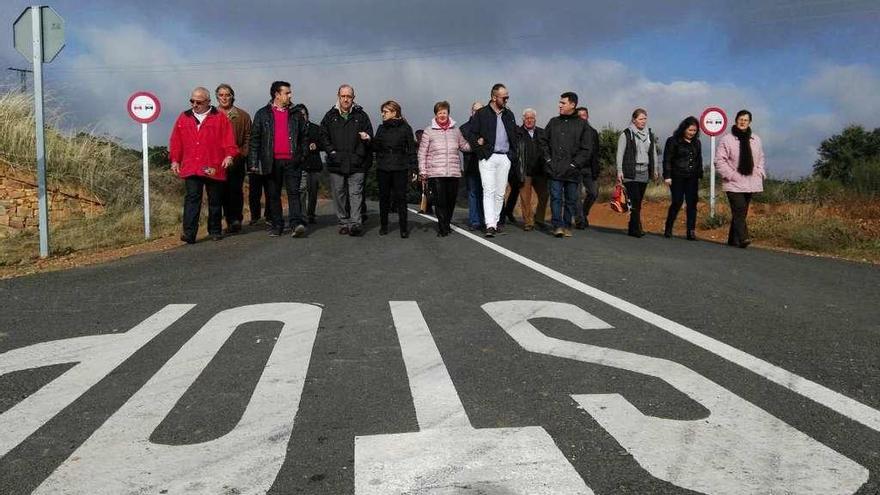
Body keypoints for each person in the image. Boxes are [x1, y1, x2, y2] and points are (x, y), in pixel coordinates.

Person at [169, 87, 237, 243]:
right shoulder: (183, 117)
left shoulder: (219, 117)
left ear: (208, 102)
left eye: (198, 102)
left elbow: (228, 140)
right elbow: (176, 141)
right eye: (192, 101)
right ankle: (189, 233)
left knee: (214, 199)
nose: (194, 104)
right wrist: (174, 160)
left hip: (212, 165)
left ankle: (214, 230)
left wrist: (229, 155)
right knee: (192, 198)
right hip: (191, 166)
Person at [248, 81, 309, 238]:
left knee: (294, 193)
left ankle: (296, 224)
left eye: (290, 93)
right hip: (271, 161)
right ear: (277, 94)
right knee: (273, 195)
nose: (290, 95)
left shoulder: (296, 113)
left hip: (292, 161)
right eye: (287, 93)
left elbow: (304, 137)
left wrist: (301, 156)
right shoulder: (262, 114)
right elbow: (255, 139)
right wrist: (253, 163)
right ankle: (277, 225)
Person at [462, 83, 518, 237]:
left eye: (508, 97)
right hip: (488, 157)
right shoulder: (481, 113)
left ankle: (496, 221)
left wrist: (511, 155)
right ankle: (490, 225)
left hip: (505, 157)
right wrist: (480, 150)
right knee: (489, 190)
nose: (507, 100)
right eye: (504, 97)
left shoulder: (509, 114)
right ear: (494, 97)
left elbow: (514, 135)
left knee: (500, 193)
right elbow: (472, 134)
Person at [320, 84, 373, 236]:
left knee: (355, 193)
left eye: (349, 96)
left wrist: (359, 155)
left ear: (353, 98)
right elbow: (323, 136)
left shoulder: (361, 116)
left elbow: (369, 136)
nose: (346, 99)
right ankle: (343, 222)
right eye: (343, 96)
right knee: (339, 193)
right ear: (338, 96)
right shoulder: (330, 115)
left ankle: (355, 223)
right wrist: (331, 152)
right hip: (336, 162)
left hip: (357, 163)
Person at [540, 92, 592, 238]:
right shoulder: (553, 122)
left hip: (572, 171)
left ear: (572, 105)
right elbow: (543, 142)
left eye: (563, 103)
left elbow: (586, 148)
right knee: (556, 198)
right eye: (560, 102)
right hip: (554, 168)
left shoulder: (582, 125)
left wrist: (575, 164)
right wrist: (548, 160)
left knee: (571, 200)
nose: (560, 105)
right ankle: (557, 226)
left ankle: (567, 225)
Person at [418, 101, 471, 237]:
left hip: (453, 172)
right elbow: (422, 153)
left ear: (448, 114)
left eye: (444, 112)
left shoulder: (456, 131)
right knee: (440, 201)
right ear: (436, 114)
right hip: (436, 172)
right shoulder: (429, 131)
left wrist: (477, 144)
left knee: (450, 201)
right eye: (439, 112)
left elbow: (464, 146)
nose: (442, 115)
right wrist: (423, 171)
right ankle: (442, 227)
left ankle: (446, 223)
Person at [714, 109, 766, 248]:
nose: (743, 122)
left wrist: (760, 171)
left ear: (749, 122)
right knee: (739, 209)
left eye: (746, 120)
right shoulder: (727, 139)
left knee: (741, 212)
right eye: (740, 119)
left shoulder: (756, 139)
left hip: (751, 181)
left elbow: (760, 157)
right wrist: (731, 175)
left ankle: (733, 239)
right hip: (733, 182)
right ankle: (743, 238)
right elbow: (719, 161)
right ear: (736, 120)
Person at [373, 100, 417, 238]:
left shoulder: (406, 128)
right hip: (383, 167)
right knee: (384, 198)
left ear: (394, 112)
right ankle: (384, 225)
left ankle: (403, 228)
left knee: (401, 198)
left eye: (385, 112)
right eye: (382, 111)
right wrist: (368, 140)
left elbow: (411, 150)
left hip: (400, 167)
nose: (382, 114)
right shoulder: (381, 128)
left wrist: (414, 168)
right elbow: (375, 147)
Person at [616, 108, 660, 237]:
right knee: (634, 201)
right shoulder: (626, 134)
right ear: (634, 120)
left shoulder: (649, 135)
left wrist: (655, 169)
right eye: (641, 119)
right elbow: (620, 154)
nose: (643, 121)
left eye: (645, 118)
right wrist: (619, 171)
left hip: (644, 172)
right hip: (630, 172)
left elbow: (653, 153)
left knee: (638, 202)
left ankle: (632, 226)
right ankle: (637, 229)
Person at [215, 84, 252, 235]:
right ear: (217, 97)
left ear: (232, 96)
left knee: (235, 190)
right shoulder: (212, 114)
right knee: (219, 192)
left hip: (237, 159)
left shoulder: (243, 116)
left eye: (227, 95)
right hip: (216, 161)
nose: (224, 98)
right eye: (221, 95)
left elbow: (249, 137)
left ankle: (236, 220)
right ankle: (225, 221)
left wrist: (242, 154)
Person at [663, 116, 703, 240]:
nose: (692, 133)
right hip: (677, 176)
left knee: (692, 203)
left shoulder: (697, 142)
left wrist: (700, 174)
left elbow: (699, 159)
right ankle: (669, 227)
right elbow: (667, 159)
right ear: (684, 128)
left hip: (692, 177)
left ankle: (691, 231)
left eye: (694, 131)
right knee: (677, 201)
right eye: (690, 130)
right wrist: (667, 176)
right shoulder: (673, 141)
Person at [515, 108, 548, 231]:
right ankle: (528, 222)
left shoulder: (542, 132)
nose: (529, 120)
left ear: (535, 119)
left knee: (545, 195)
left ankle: (539, 219)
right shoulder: (518, 133)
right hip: (525, 170)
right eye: (527, 118)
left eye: (531, 118)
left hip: (540, 171)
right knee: (525, 198)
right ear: (523, 119)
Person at [293, 104, 323, 225]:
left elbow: (324, 143)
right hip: (299, 164)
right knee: (301, 191)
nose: (301, 117)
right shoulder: (293, 130)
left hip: (313, 164)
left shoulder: (316, 128)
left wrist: (317, 146)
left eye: (303, 115)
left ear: (307, 115)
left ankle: (311, 214)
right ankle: (302, 215)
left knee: (313, 191)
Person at [459, 101, 485, 230]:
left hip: (486, 165)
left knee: (486, 193)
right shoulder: (463, 128)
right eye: (475, 110)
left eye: (480, 110)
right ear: (471, 111)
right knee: (473, 193)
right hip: (471, 165)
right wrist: (477, 144)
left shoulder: (488, 127)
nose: (477, 113)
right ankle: (475, 221)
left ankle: (486, 220)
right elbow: (462, 147)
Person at [575, 106, 600, 229]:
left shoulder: (593, 132)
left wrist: (597, 168)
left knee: (594, 193)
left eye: (583, 115)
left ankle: (584, 214)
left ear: (587, 116)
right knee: (577, 195)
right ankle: (580, 220)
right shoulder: (572, 132)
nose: (581, 118)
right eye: (579, 116)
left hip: (590, 168)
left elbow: (596, 152)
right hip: (576, 168)